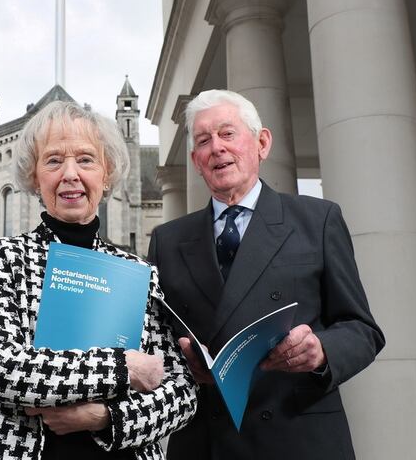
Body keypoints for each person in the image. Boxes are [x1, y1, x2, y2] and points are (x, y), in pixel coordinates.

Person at [148, 89, 385, 460]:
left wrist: (321, 350)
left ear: (261, 143)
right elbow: (154, 343)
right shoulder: (167, 240)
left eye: (228, 134)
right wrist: (183, 364)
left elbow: (362, 330)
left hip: (298, 438)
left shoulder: (318, 220)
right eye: (203, 141)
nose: (216, 148)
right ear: (195, 160)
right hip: (207, 441)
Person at [0, 101, 197, 460]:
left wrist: (104, 418)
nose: (70, 174)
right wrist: (125, 368)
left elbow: (182, 394)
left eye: (86, 159)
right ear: (34, 177)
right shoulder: (1, 258)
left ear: (107, 174)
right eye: (54, 161)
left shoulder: (139, 272)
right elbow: (2, 369)